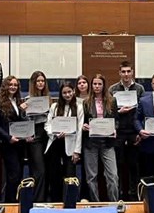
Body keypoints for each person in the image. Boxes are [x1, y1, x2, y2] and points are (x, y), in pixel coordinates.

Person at [108, 60, 144, 200]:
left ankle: (134, 195)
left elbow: (143, 111)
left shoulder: (140, 89)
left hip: (134, 131)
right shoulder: (113, 89)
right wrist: (119, 111)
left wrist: (141, 131)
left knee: (134, 165)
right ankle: (119, 195)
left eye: (129, 71)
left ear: (132, 72)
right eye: (123, 72)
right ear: (119, 73)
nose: (126, 74)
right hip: (119, 131)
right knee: (118, 164)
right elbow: (109, 112)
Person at [0, 75, 34, 202]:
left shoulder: (18, 101)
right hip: (8, 144)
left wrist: (27, 135)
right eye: (10, 84)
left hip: (19, 144)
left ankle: (16, 202)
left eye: (15, 85)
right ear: (5, 86)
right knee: (13, 174)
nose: (13, 87)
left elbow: (21, 122)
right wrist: (8, 137)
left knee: (19, 174)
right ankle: (10, 202)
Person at [45, 81, 84, 202]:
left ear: (73, 91)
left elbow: (80, 130)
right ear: (61, 94)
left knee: (70, 176)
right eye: (64, 93)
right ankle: (56, 202)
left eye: (69, 92)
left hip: (71, 146)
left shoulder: (79, 107)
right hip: (55, 144)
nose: (67, 95)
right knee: (54, 176)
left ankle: (70, 203)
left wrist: (77, 151)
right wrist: (55, 133)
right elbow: (47, 125)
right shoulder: (54, 106)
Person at [83, 74, 119, 202]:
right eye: (94, 84)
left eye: (99, 84)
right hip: (91, 143)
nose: (97, 86)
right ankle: (95, 204)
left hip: (107, 142)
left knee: (113, 175)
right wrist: (84, 126)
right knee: (91, 177)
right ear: (91, 86)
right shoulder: (86, 102)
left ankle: (114, 203)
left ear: (104, 86)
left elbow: (117, 120)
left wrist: (115, 129)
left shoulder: (112, 101)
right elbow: (83, 121)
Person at [20, 70, 49, 201]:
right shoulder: (27, 100)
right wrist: (23, 111)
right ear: (33, 83)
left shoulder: (49, 99)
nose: (40, 83)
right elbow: (22, 120)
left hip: (47, 134)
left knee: (47, 168)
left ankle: (45, 198)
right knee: (39, 169)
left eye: (42, 81)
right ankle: (38, 201)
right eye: (38, 81)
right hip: (34, 134)